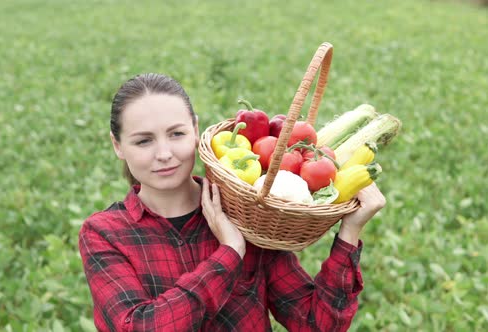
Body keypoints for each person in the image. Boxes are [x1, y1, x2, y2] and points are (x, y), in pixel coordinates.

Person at [78, 73, 386, 331]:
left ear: (196, 131)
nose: (164, 154)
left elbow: (317, 325)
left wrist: (349, 232)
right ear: (117, 146)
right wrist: (229, 253)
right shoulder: (105, 233)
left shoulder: (248, 212)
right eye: (144, 140)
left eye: (176, 134)